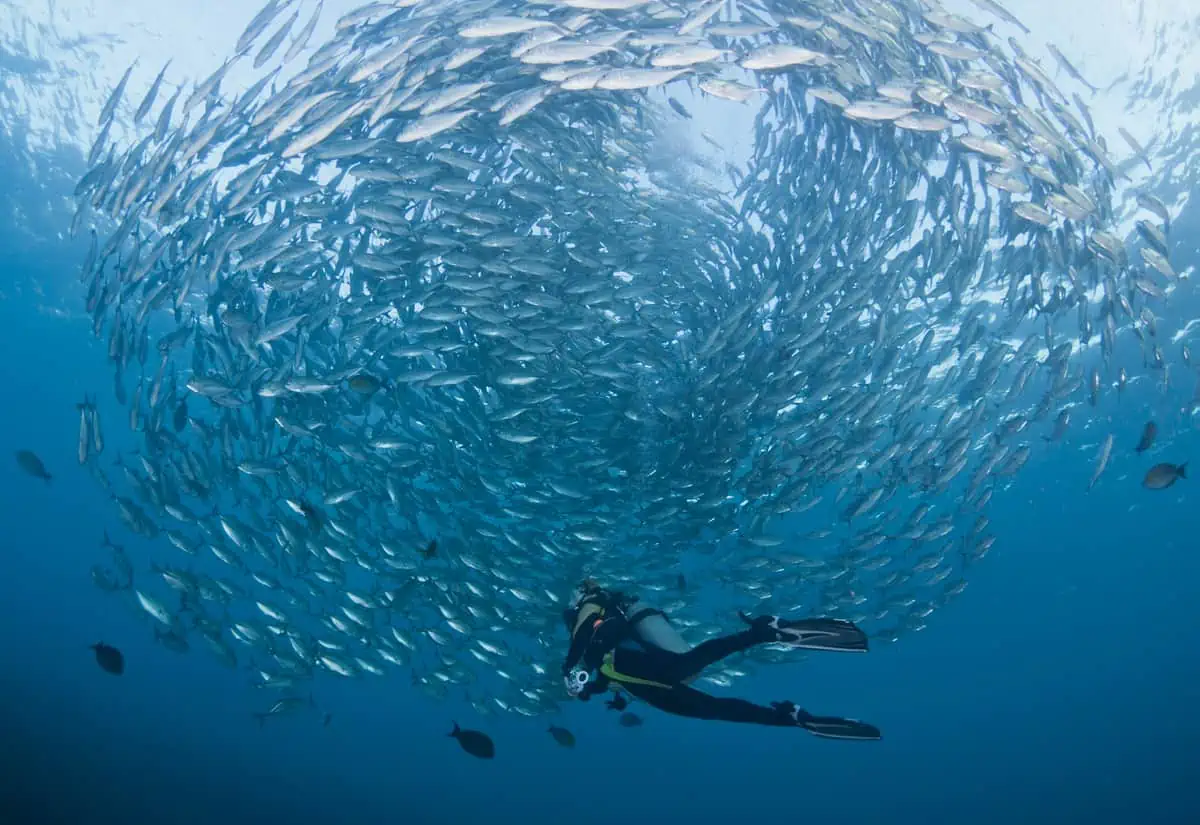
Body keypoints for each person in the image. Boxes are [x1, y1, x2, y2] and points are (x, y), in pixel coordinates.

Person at [560, 580, 881, 740]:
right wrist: (589, 689)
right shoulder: (584, 640)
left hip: (638, 663)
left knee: (687, 666)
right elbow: (603, 675)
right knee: (710, 709)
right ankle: (788, 718)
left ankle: (762, 632)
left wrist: (568, 667)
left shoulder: (591, 607)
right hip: (642, 684)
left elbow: (596, 633)